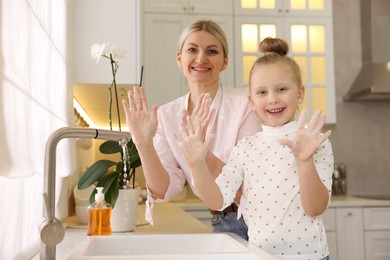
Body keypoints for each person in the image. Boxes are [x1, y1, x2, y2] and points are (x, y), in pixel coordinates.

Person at [174, 37, 334, 259]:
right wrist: (197, 164)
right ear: (251, 101)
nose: (272, 99)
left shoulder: (315, 142)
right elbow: (217, 200)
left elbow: (316, 208)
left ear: (300, 93)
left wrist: (305, 161)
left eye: (281, 89)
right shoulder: (245, 148)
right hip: (259, 255)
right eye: (262, 92)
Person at [122, 20, 261, 240]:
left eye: (212, 51)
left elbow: (252, 184)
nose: (201, 59)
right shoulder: (167, 117)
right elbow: (163, 189)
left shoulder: (246, 105)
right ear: (180, 58)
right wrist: (144, 143)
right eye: (192, 50)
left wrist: (201, 154)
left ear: (224, 62)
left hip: (261, 218)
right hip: (224, 221)